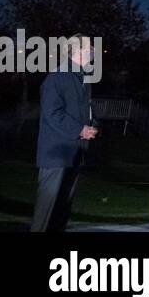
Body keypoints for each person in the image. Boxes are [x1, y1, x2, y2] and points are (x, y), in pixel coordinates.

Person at [32, 35, 97, 232]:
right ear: (77, 50)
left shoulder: (81, 77)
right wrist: (79, 130)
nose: (93, 49)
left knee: (61, 211)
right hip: (56, 155)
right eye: (89, 46)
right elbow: (52, 113)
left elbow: (85, 110)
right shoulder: (57, 77)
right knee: (45, 214)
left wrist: (92, 124)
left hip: (73, 152)